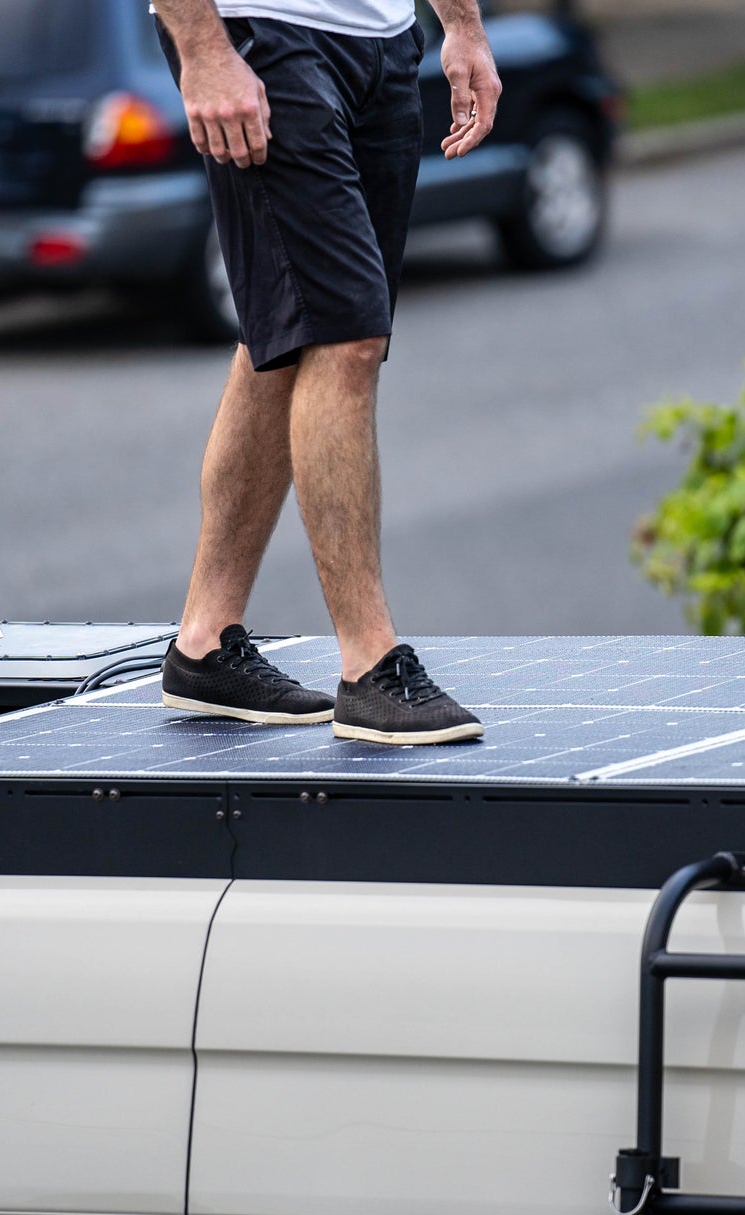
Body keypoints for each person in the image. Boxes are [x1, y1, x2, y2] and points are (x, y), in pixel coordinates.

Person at [150, 0, 499, 746]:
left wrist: (462, 26)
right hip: (261, 29)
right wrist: (203, 48)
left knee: (289, 330)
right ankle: (369, 666)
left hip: (382, 40)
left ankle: (204, 642)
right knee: (347, 336)